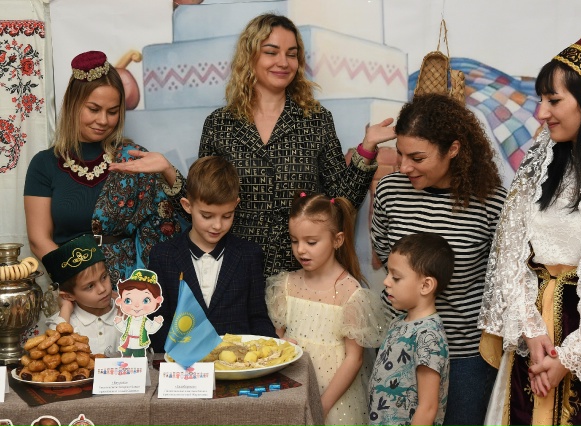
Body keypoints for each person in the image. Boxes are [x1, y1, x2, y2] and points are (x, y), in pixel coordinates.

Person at [109, 13, 396, 277]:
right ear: (250, 56)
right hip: (237, 273)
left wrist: (367, 148)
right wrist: (168, 170)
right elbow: (205, 204)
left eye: (292, 54)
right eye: (271, 52)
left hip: (302, 275)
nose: (283, 62)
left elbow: (342, 201)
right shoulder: (220, 124)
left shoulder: (317, 120)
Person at [478, 35, 581, 424]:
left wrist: (567, 358)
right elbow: (510, 256)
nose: (542, 113)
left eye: (553, 100)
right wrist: (531, 332)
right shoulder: (539, 170)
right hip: (535, 335)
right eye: (541, 100)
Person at [370, 93, 507, 425]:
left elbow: (501, 280)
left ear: (453, 149)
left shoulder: (491, 203)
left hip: (463, 356)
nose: (405, 167)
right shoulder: (389, 192)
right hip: (397, 349)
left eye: (417, 157)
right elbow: (387, 257)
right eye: (401, 154)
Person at [24, 50, 181, 285]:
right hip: (72, 285)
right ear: (73, 104)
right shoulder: (44, 164)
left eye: (113, 112)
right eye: (94, 109)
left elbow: (170, 225)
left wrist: (168, 171)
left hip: (131, 289)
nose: (103, 120)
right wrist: (83, 283)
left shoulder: (134, 158)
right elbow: (39, 240)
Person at [265, 192, 388, 425]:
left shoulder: (350, 293)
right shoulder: (285, 285)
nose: (301, 250)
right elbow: (276, 340)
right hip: (292, 392)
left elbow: (354, 359)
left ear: (337, 240)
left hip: (334, 401)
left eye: (311, 242)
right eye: (294, 241)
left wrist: (322, 405)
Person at [148, 156, 276, 353]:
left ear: (236, 204)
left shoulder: (249, 255)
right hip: (183, 366)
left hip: (239, 364)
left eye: (227, 216)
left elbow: (258, 318)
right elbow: (156, 322)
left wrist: (274, 346)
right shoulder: (162, 256)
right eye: (207, 216)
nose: (217, 225)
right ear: (187, 206)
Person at [369, 232, 453, 426]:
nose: (386, 282)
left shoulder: (428, 336)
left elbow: (427, 408)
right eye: (388, 274)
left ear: (426, 285)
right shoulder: (398, 322)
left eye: (396, 277)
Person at [42, 235, 120, 356]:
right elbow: (52, 352)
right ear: (68, 296)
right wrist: (65, 309)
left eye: (104, 277)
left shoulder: (124, 312)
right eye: (90, 286)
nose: (102, 289)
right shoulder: (65, 320)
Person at [114, 269, 164, 357]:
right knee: (126, 359)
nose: (136, 305)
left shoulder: (145, 321)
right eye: (128, 300)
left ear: (158, 300)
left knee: (140, 360)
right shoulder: (129, 320)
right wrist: (119, 322)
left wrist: (157, 323)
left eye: (146, 300)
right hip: (127, 343)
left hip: (139, 345)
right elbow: (124, 328)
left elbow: (151, 329)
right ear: (119, 301)